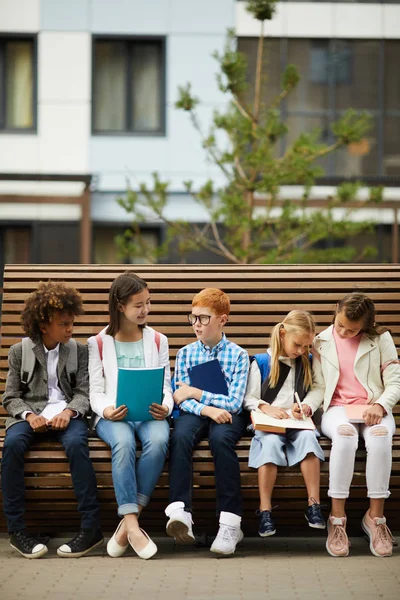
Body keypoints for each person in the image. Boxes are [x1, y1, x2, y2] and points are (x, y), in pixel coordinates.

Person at [1, 281, 102, 559]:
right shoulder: (20, 352)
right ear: (44, 326)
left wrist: (68, 412)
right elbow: (10, 397)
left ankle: (91, 527)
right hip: (30, 414)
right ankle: (17, 531)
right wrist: (29, 415)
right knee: (12, 447)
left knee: (77, 445)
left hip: (67, 414)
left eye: (71, 323)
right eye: (64, 324)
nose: (70, 329)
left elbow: (84, 392)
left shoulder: (79, 351)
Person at [296, 293, 400, 558]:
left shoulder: (380, 340)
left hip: (373, 407)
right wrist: (308, 405)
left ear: (365, 325)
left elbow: (395, 382)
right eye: (340, 324)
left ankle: (375, 519)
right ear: (335, 311)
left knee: (379, 436)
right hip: (337, 410)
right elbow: (319, 387)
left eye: (352, 329)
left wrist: (381, 405)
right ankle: (337, 518)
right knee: (344, 437)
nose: (343, 332)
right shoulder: (321, 341)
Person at [88, 271, 173, 560]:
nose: (145, 310)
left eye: (148, 303)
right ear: (120, 305)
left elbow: (166, 386)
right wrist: (106, 410)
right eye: (139, 305)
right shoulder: (98, 343)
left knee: (160, 440)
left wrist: (166, 406)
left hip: (149, 414)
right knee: (123, 444)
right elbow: (95, 391)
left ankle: (127, 525)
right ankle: (134, 526)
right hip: (114, 417)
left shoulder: (159, 340)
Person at [164, 288, 250, 556]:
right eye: (193, 318)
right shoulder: (187, 353)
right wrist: (206, 409)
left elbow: (235, 403)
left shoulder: (238, 355)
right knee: (179, 436)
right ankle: (180, 513)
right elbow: (181, 397)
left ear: (222, 320)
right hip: (197, 413)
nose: (197, 324)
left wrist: (197, 392)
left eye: (203, 318)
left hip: (229, 416)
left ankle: (229, 523)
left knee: (220, 439)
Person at [244, 310, 325, 537]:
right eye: (298, 344)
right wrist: (265, 407)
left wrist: (306, 406)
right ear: (282, 334)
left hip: (298, 422)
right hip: (269, 423)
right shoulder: (261, 362)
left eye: (306, 347)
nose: (301, 351)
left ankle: (313, 504)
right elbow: (248, 398)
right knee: (269, 445)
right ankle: (265, 509)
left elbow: (318, 388)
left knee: (309, 439)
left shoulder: (307, 361)